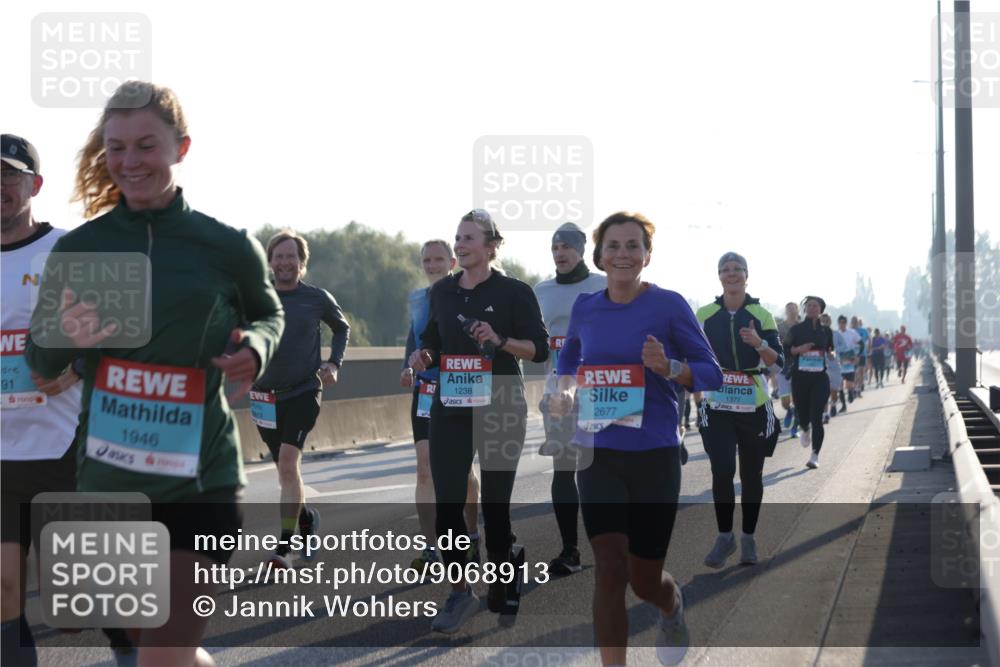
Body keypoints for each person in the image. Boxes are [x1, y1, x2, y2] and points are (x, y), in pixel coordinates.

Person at [25, 81, 284, 667]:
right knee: (157, 648)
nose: (130, 161)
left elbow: (269, 314)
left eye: (146, 145)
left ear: (180, 148)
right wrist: (66, 335)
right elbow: (40, 361)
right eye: (116, 148)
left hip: (202, 482)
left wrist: (257, 348)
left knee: (161, 655)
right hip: (109, 486)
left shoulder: (225, 246)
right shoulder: (80, 249)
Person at [549, 212, 722, 666]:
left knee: (644, 580)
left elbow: (712, 373)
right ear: (599, 255)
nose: (622, 254)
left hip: (654, 456)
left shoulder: (669, 306)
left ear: (647, 256)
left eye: (633, 246)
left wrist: (669, 367)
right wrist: (566, 390)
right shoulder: (586, 307)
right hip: (598, 452)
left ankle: (671, 603)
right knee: (608, 569)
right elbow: (568, 360)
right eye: (613, 246)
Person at [409, 209, 549, 633]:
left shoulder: (515, 292)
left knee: (495, 508)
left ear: (491, 246)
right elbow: (432, 339)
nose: (460, 244)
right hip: (452, 404)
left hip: (501, 403)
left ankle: (506, 566)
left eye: (469, 238)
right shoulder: (443, 291)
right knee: (449, 504)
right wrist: (424, 355)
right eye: (458, 237)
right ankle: (459, 592)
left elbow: (539, 349)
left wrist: (500, 340)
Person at [253, 230, 350, 569]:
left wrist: (333, 363)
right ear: (270, 261)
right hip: (264, 397)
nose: (284, 262)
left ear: (302, 262)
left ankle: (284, 547)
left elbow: (341, 328)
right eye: (278, 256)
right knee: (286, 473)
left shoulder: (316, 298)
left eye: (291, 256)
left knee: (287, 462)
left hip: (304, 390)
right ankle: (306, 520)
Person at [695, 252, 782, 569]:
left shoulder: (762, 314)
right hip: (717, 405)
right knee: (721, 470)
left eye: (737, 269)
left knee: (751, 474)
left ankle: (748, 537)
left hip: (754, 405)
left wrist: (758, 343)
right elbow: (692, 353)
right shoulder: (705, 314)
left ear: (747, 275)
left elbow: (777, 362)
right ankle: (724, 537)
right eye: (725, 270)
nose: (731, 274)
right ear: (719, 276)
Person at [401, 239, 481, 571]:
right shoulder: (417, 298)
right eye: (426, 260)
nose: (432, 265)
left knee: (461, 470)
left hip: (459, 386)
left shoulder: (465, 295)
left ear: (452, 263)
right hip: (425, 389)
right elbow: (415, 336)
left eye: (438, 260)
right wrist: (407, 366)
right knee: (424, 468)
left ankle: (471, 536)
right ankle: (430, 548)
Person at [533, 222, 606, 575]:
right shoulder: (541, 291)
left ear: (581, 250)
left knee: (601, 470)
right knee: (564, 469)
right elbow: (533, 341)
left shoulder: (602, 285)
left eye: (566, 246)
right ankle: (570, 551)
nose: (559, 253)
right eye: (554, 247)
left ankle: (610, 544)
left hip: (600, 389)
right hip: (557, 392)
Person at [784, 297, 834, 469]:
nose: (812, 308)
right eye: (809, 305)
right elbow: (785, 350)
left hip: (820, 377)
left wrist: (831, 354)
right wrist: (799, 349)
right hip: (800, 377)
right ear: (805, 309)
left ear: (821, 310)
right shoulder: (796, 330)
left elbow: (830, 348)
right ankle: (805, 428)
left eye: (816, 306)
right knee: (803, 414)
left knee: (817, 417)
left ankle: (815, 455)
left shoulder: (826, 331)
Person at [776, 302, 800, 438]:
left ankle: (794, 428)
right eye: (789, 308)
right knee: (785, 403)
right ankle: (789, 410)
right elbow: (775, 345)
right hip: (783, 367)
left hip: (799, 367)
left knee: (797, 400)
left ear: (797, 310)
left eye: (793, 308)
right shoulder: (780, 327)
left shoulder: (802, 326)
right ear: (786, 311)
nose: (791, 310)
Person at [821, 313, 844, 420]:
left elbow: (844, 346)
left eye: (827, 320)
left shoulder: (836, 334)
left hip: (834, 365)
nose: (825, 322)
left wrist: (834, 350)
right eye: (823, 320)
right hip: (821, 366)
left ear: (830, 321)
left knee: (834, 390)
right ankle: (825, 413)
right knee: (824, 390)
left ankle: (833, 404)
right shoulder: (816, 334)